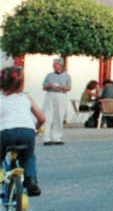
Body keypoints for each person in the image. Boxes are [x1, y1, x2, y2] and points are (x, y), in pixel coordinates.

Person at [0, 66, 45, 196]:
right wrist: (36, 127)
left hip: (5, 132)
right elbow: (42, 118)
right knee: (28, 157)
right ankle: (31, 181)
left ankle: (1, 176)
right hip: (27, 131)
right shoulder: (26, 97)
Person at [41, 58, 72, 146]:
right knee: (47, 115)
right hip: (50, 94)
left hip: (61, 95)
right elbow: (44, 87)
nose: (54, 66)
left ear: (60, 65)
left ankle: (57, 137)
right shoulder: (49, 75)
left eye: (56, 64)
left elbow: (69, 88)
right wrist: (49, 86)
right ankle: (46, 137)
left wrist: (61, 87)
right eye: (53, 64)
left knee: (59, 116)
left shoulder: (67, 76)